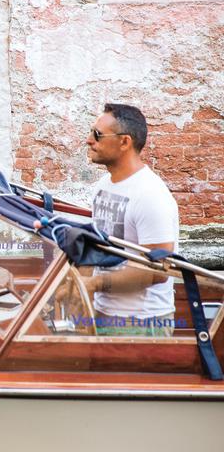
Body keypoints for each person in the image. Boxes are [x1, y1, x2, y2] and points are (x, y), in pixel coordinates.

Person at [80, 103, 179, 337]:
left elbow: (157, 271)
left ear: (124, 142)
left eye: (97, 134)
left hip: (143, 325)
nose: (88, 140)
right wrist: (80, 293)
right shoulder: (102, 187)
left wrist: (94, 285)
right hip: (104, 316)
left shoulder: (150, 195)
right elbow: (96, 246)